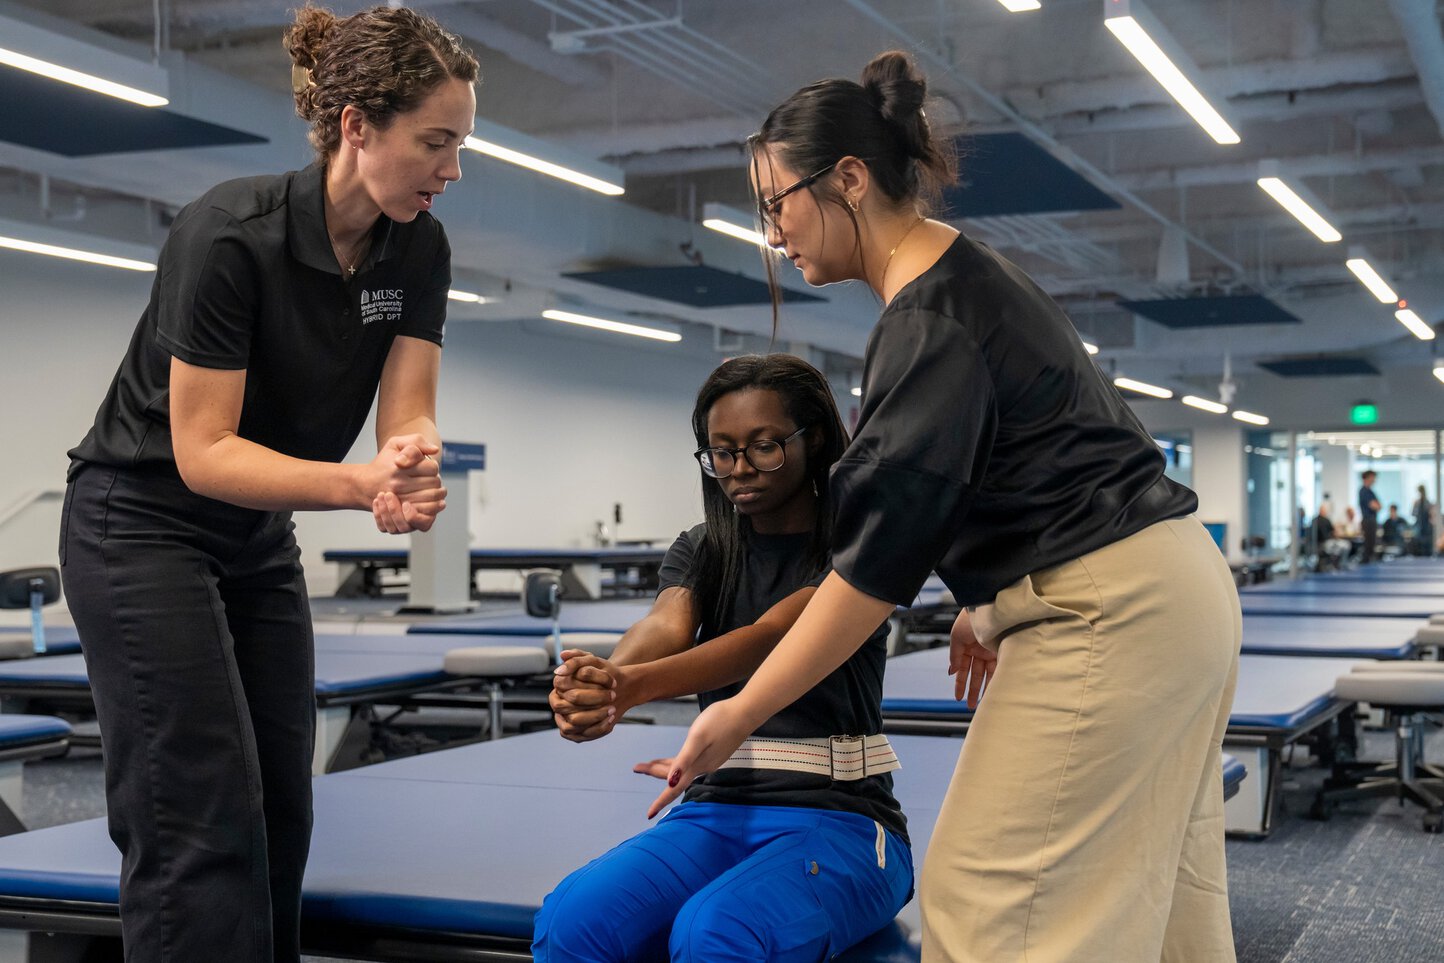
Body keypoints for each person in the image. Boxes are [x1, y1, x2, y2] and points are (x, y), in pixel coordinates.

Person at [649, 51, 1242, 962]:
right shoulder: (964, 280)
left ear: (847, 178)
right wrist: (989, 598)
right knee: (1162, 907)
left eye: (778, 204)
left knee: (992, 900)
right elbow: (1024, 463)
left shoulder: (928, 321)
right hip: (1170, 589)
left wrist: (735, 714)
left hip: (1112, 611)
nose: (774, 234)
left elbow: (867, 578)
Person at [57, 8, 477, 960]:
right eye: (437, 142)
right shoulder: (228, 234)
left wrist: (410, 459)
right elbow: (204, 450)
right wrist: (354, 480)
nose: (452, 169)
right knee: (197, 808)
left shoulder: (420, 249)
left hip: (252, 534)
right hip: (141, 525)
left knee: (282, 801)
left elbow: (406, 408)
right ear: (359, 126)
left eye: (462, 145)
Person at [533, 355, 912, 962]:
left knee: (717, 932)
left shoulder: (855, 546)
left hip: (844, 820)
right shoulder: (705, 546)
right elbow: (668, 622)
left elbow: (770, 639)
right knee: (572, 922)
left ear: (812, 438)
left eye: (764, 447)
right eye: (722, 452)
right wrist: (606, 677)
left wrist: (632, 686)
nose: (740, 471)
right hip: (716, 809)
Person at [1358, 471, 1381, 563]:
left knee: (1372, 543)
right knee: (1368, 543)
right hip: (1368, 520)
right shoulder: (1364, 491)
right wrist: (1376, 506)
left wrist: (1377, 506)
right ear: (1367, 478)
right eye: (1373, 477)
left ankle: (1369, 560)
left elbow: (1379, 506)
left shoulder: (1370, 491)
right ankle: (1365, 561)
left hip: (1372, 519)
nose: (1374, 480)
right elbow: (1374, 506)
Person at [1414, 485, 1436, 557]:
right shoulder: (1417, 503)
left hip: (1427, 528)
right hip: (1419, 527)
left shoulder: (1428, 503)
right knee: (1420, 547)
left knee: (1427, 547)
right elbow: (1413, 514)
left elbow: (1431, 516)